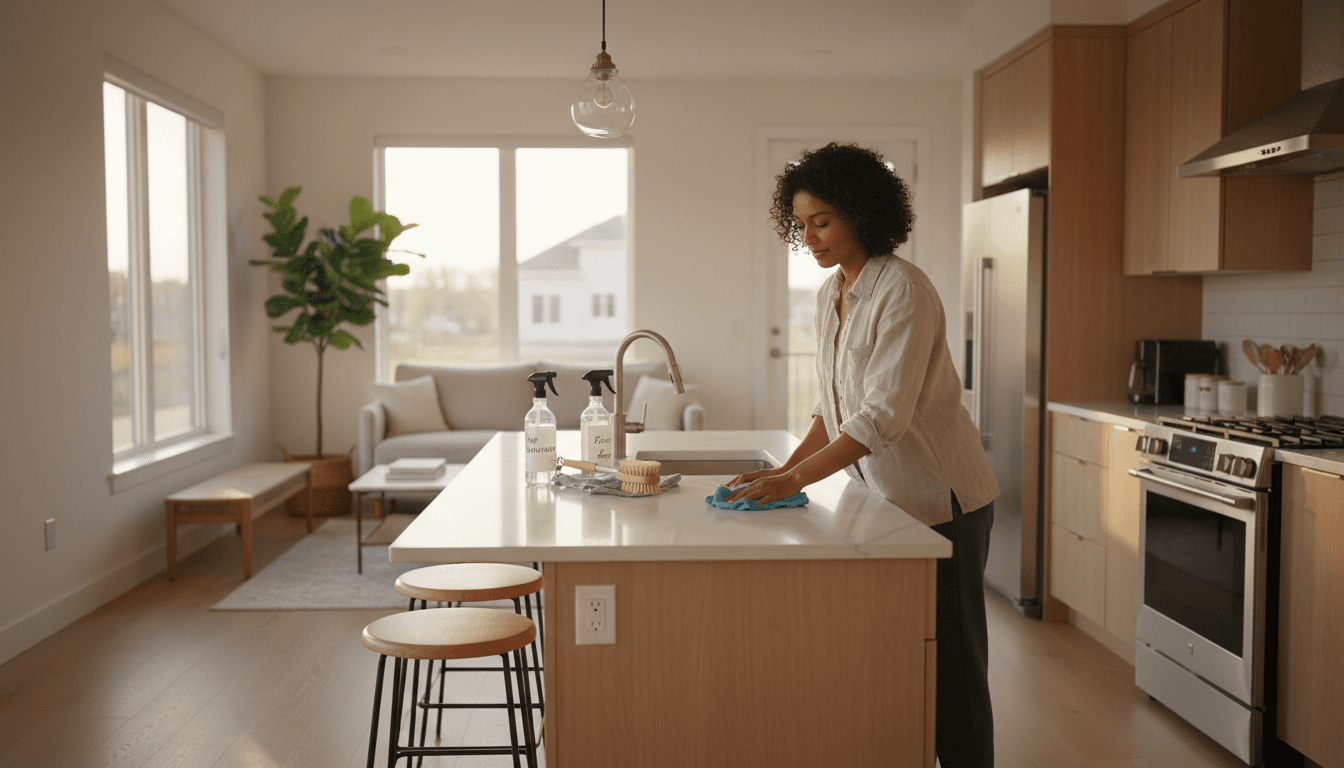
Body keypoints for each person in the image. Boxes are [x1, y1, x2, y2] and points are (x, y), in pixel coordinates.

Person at [727, 142, 999, 768]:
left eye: (821, 221)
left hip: (944, 504)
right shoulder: (833, 293)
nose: (810, 238)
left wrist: (795, 479)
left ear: (861, 212)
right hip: (889, 503)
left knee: (955, 672)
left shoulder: (904, 289)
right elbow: (833, 407)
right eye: (801, 225)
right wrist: (780, 473)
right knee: (899, 658)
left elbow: (882, 417)